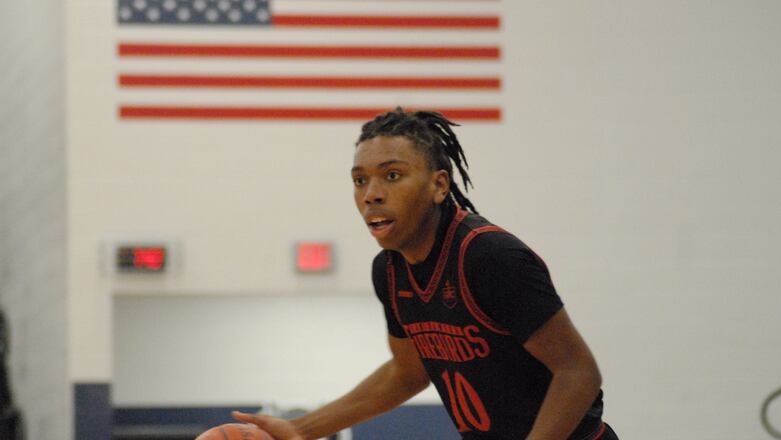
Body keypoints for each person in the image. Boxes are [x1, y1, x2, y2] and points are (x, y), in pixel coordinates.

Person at [234, 108, 618, 440]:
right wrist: (303, 429)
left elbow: (578, 372)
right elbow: (408, 371)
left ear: (438, 185)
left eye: (393, 175)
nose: (371, 194)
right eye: (359, 180)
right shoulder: (389, 271)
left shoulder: (489, 257)